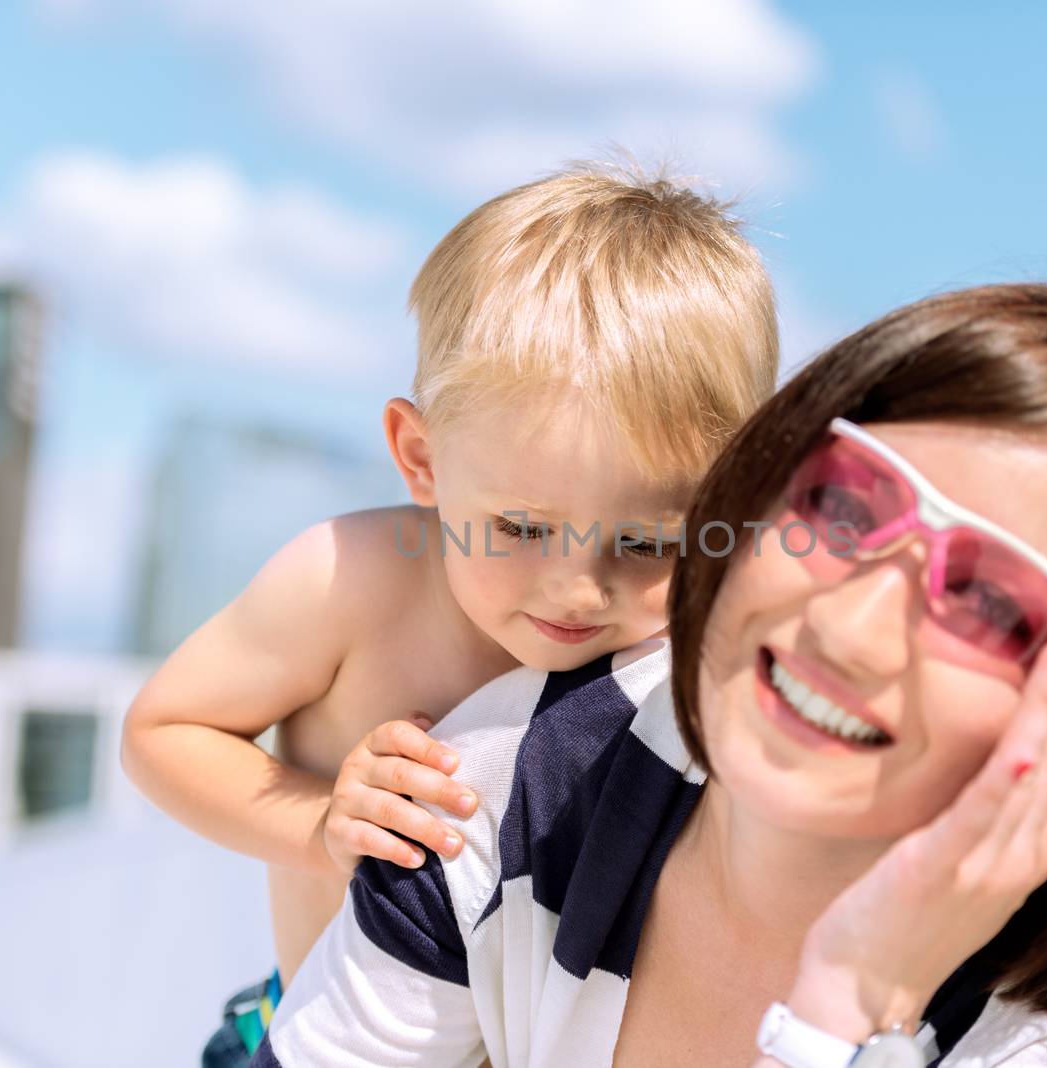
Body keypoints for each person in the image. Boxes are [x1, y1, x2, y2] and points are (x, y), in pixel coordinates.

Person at [250, 283, 1047, 1067]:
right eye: (842, 503)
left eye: (993, 601)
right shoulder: (501, 793)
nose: (853, 628)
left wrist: (849, 1013)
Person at [117, 161, 779, 1065]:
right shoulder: (351, 582)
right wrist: (322, 823)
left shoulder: (698, 645)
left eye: (646, 543)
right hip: (316, 1027)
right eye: (521, 526)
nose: (577, 590)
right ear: (420, 457)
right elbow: (162, 730)